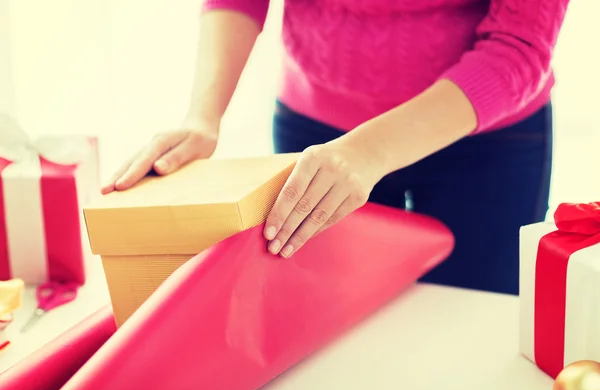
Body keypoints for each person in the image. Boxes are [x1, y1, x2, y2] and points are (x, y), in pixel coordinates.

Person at [102, 0, 570, 295]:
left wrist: (369, 151)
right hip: (318, 128)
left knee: (472, 320)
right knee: (323, 330)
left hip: (484, 140)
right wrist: (202, 116)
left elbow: (520, 45)